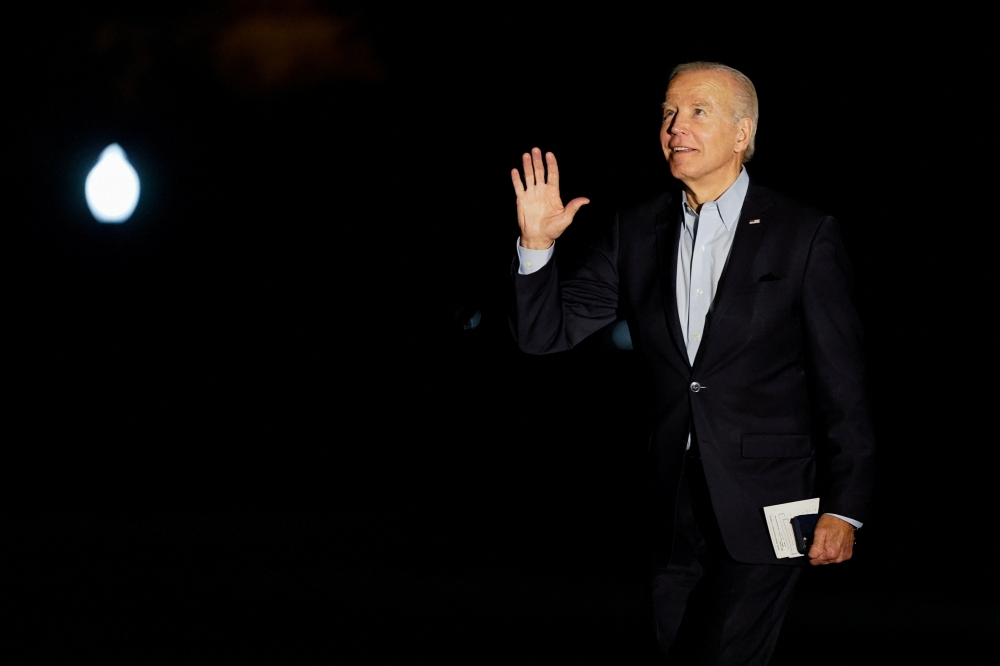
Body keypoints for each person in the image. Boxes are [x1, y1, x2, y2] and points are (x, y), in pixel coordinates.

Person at [509, 62, 875, 664]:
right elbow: (542, 336)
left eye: (697, 112)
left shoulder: (803, 234)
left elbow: (844, 381)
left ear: (742, 133)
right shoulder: (637, 230)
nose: (676, 126)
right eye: (668, 113)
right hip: (667, 503)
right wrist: (537, 246)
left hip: (770, 500)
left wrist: (845, 505)